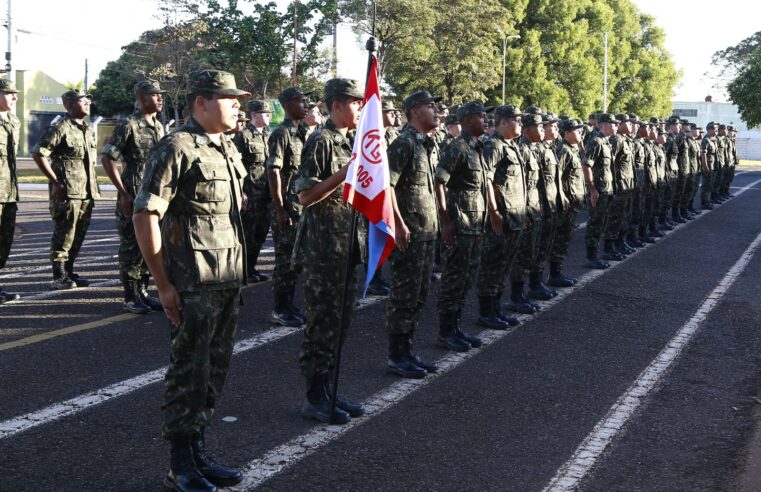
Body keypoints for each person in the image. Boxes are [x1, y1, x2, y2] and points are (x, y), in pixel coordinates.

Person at [133, 69, 250, 491]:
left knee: (214, 371)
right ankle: (180, 464)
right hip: (191, 283)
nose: (237, 104)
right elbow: (145, 215)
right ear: (201, 102)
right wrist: (163, 284)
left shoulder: (225, 148)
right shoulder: (176, 146)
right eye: (228, 97)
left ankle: (199, 452)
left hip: (226, 280)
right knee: (188, 373)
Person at [295, 78, 366, 424]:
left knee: (341, 323)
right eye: (355, 102)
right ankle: (314, 396)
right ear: (336, 105)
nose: (360, 108)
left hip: (348, 245)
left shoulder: (352, 140)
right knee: (322, 324)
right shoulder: (320, 141)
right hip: (325, 248)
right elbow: (305, 197)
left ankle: (330, 390)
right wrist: (343, 173)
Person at [384, 90, 443, 379]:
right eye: (430, 106)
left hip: (426, 231)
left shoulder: (426, 144)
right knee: (404, 295)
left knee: (419, 294)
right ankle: (397, 355)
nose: (436, 111)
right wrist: (398, 223)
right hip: (409, 231)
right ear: (415, 111)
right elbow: (388, 185)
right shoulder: (404, 143)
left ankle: (408, 351)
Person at [435, 101, 497, 352]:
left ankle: (456, 327)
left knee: (466, 278)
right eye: (481, 117)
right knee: (453, 279)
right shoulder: (457, 147)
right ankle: (445, 331)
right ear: (468, 120)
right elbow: (439, 182)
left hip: (475, 224)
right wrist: (446, 221)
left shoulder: (478, 148)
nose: (486, 121)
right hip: (459, 224)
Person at [101, 79, 167, 314]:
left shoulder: (159, 126)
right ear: (141, 98)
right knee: (131, 246)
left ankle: (144, 292)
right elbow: (108, 158)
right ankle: (130, 296)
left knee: (150, 244)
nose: (160, 98)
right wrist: (123, 193)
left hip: (154, 194)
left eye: (161, 95)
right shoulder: (129, 124)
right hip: (133, 193)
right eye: (155, 94)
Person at [32, 89, 100, 290]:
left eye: (88, 100)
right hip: (67, 191)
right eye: (82, 100)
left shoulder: (87, 128)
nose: (87, 102)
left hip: (86, 191)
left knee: (79, 234)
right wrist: (56, 182)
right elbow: (39, 153)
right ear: (70, 105)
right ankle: (59, 275)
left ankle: (70, 270)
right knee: (65, 233)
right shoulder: (60, 127)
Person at [476, 105, 527, 328]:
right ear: (504, 122)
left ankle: (496, 308)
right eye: (517, 120)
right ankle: (486, 312)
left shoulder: (511, 146)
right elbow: (486, 179)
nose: (521, 124)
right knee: (492, 266)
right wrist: (494, 211)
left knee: (503, 266)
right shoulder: (493, 145)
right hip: (500, 218)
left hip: (514, 217)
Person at [267, 87, 312, 327]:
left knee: (296, 260)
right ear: (286, 105)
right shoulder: (281, 133)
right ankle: (279, 308)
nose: (306, 105)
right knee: (285, 260)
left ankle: (290, 305)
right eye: (301, 101)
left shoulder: (303, 133)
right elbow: (273, 171)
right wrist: (280, 208)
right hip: (287, 207)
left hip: (301, 205)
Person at [233, 99, 273, 283]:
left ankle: (251, 268)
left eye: (269, 113)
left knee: (260, 233)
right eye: (265, 113)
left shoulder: (267, 135)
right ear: (254, 115)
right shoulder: (243, 136)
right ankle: (242, 271)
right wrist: (240, 192)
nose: (268, 116)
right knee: (247, 234)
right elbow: (236, 166)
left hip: (265, 193)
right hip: (250, 194)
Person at [509, 112, 545, 313]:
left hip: (534, 208)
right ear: (528, 130)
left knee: (530, 253)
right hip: (524, 210)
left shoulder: (532, 149)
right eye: (538, 126)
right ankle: (516, 296)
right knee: (521, 256)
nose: (542, 130)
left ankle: (525, 292)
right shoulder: (522, 149)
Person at [549, 118, 586, 286]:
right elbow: (557, 177)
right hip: (566, 203)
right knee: (560, 239)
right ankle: (555, 275)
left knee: (564, 239)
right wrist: (562, 196)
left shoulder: (572, 149)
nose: (581, 133)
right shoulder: (563, 150)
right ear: (567, 133)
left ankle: (558, 272)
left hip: (573, 202)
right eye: (577, 131)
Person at [583, 113, 617, 269]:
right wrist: (592, 189)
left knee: (602, 222)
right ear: (604, 125)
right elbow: (586, 165)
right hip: (599, 190)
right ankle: (591, 257)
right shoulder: (596, 141)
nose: (616, 126)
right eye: (613, 124)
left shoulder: (606, 141)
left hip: (607, 189)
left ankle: (596, 254)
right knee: (595, 224)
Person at [0, 78, 20, 304]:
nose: (14, 97)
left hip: (9, 192)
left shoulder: (14, 121)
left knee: (4, 242)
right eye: (9, 93)